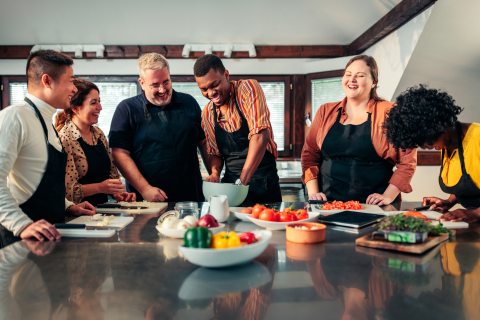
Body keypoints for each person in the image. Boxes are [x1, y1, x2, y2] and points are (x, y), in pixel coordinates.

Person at [0, 50, 95, 245]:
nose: (74, 89)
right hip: (21, 239)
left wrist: (67, 206)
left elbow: (37, 180)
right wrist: (22, 225)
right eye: (70, 81)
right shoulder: (15, 117)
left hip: (50, 235)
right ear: (47, 81)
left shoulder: (48, 122)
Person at [301, 55, 417, 206]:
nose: (352, 79)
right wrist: (313, 193)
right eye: (348, 74)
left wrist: (388, 196)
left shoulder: (391, 112)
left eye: (360, 75)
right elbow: (309, 155)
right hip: (329, 204)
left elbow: (407, 162)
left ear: (374, 82)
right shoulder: (325, 111)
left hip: (375, 206)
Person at [109, 53, 206, 202]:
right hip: (147, 200)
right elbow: (118, 153)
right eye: (155, 85)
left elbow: (203, 142)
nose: (162, 89)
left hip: (190, 198)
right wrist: (145, 188)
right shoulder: (127, 109)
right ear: (141, 83)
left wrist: (214, 171)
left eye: (166, 82)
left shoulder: (189, 102)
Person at [193, 54, 282, 205]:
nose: (211, 93)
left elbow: (260, 135)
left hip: (262, 182)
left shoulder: (247, 89)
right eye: (204, 89)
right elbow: (215, 153)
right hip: (231, 186)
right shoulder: (208, 113)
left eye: (215, 85)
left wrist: (243, 181)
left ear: (226, 75)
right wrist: (215, 173)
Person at [384, 85, 480, 222]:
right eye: (422, 143)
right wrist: (449, 201)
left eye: (429, 141)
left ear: (439, 124)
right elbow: (474, 183)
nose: (427, 147)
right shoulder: (447, 144)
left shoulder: (477, 137)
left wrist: (475, 213)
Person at [55, 79, 136, 206]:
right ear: (76, 108)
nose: (100, 107)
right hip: (77, 215)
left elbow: (112, 176)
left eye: (99, 101)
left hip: (103, 212)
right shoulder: (65, 138)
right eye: (93, 103)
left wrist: (118, 193)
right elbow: (68, 192)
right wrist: (100, 187)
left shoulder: (98, 134)